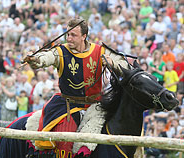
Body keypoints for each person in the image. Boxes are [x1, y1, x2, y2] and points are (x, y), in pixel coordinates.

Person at [23, 18, 129, 157]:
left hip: (95, 105)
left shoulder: (100, 50)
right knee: (64, 142)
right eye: (68, 34)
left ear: (84, 36)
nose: (69, 38)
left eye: (73, 35)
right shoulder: (61, 51)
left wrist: (111, 63)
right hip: (68, 105)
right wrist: (35, 59)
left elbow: (124, 65)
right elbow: (46, 57)